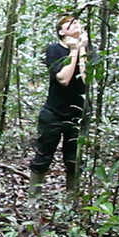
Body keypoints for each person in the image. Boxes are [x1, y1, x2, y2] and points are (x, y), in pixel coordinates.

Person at [28, 15, 89, 199]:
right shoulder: (54, 50)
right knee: (43, 158)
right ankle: (34, 201)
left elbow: (87, 80)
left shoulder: (89, 50)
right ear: (61, 31)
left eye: (77, 21)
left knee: (74, 161)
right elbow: (63, 79)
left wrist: (82, 50)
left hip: (78, 114)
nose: (76, 23)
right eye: (69, 23)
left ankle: (72, 203)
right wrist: (73, 51)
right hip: (53, 113)